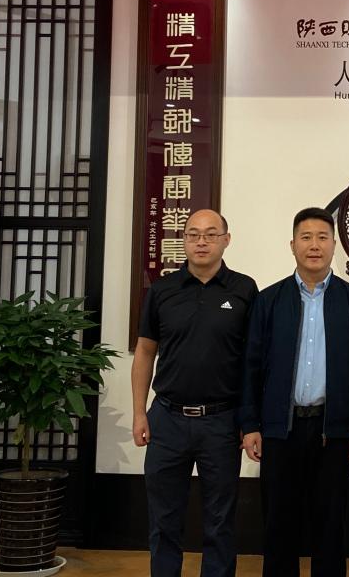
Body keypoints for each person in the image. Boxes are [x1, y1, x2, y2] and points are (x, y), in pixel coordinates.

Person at [240, 207, 349, 577]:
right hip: (280, 429)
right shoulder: (269, 300)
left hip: (333, 430)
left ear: (334, 246)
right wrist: (251, 424)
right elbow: (251, 365)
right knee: (279, 524)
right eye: (306, 237)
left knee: (331, 525)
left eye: (322, 238)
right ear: (292, 245)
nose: (314, 245)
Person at [132, 209, 258, 577]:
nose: (201, 241)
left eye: (210, 234)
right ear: (183, 240)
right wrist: (139, 412)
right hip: (167, 418)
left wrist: (250, 420)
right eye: (193, 234)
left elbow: (253, 360)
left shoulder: (244, 289)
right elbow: (145, 352)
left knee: (220, 520)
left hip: (222, 421)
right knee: (164, 519)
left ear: (226, 240)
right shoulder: (162, 290)